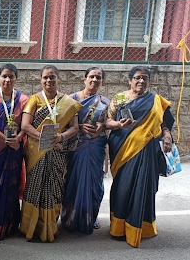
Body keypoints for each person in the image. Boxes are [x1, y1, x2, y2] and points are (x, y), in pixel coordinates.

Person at [106, 66, 173, 248]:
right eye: (137, 78)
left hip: (148, 150)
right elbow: (107, 121)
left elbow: (165, 124)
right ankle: (119, 228)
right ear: (130, 80)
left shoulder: (156, 101)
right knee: (123, 187)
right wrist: (119, 124)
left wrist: (167, 136)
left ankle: (142, 227)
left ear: (148, 81)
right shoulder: (119, 98)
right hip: (123, 151)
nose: (141, 81)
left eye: (144, 78)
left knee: (145, 187)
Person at [20, 65, 81, 242]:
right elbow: (25, 125)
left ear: (58, 79)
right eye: (45, 77)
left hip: (57, 150)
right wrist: (42, 137)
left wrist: (60, 137)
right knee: (33, 188)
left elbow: (75, 128)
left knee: (54, 187)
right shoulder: (34, 100)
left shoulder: (67, 102)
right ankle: (31, 228)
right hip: (36, 150)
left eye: (52, 77)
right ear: (40, 79)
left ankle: (50, 226)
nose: (48, 80)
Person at [0, 64, 29, 240]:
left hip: (15, 148)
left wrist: (17, 139)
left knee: (11, 185)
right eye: (4, 76)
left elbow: (26, 124)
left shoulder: (24, 99)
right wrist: (4, 138)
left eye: (11, 77)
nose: (7, 80)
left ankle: (9, 223)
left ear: (16, 79)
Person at [61, 67, 109, 234]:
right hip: (76, 146)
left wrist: (103, 125)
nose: (94, 80)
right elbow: (63, 123)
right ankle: (70, 217)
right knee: (73, 180)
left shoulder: (105, 102)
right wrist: (79, 126)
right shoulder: (71, 99)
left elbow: (107, 124)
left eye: (98, 77)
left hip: (96, 146)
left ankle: (91, 216)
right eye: (92, 76)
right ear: (84, 79)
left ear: (102, 81)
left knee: (95, 183)